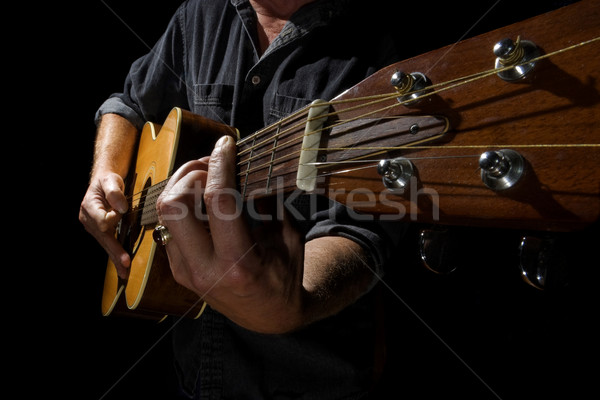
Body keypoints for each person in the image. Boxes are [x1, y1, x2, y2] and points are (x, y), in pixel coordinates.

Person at [80, 0, 404, 398]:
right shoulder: (200, 14)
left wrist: (293, 301)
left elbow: (362, 231)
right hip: (190, 369)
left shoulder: (378, 41)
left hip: (311, 383)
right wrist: (106, 170)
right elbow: (128, 103)